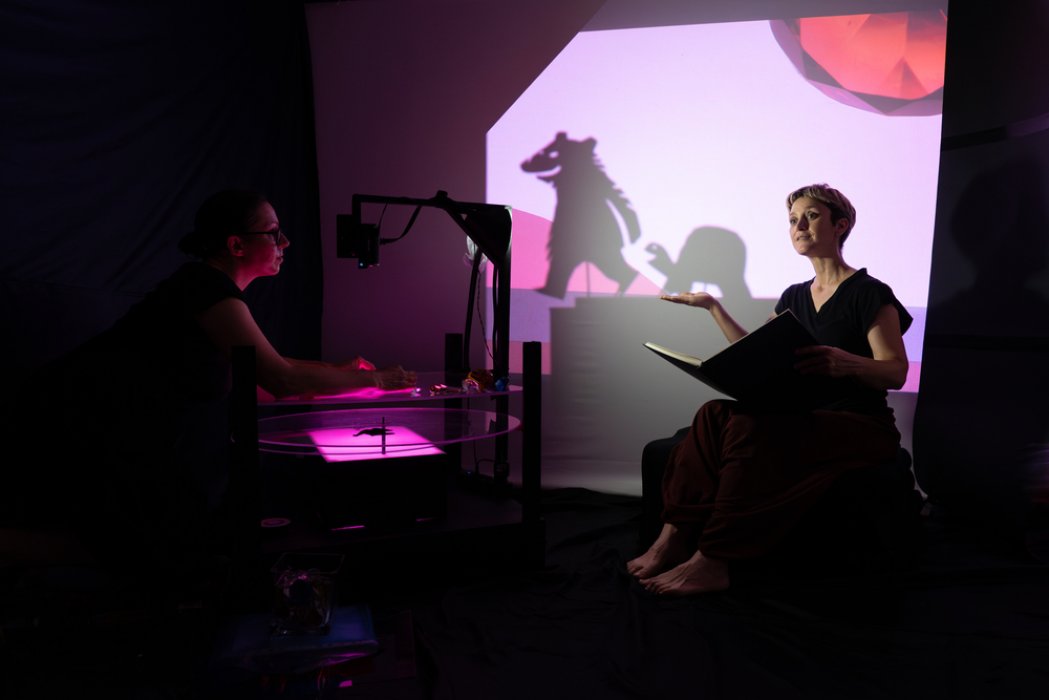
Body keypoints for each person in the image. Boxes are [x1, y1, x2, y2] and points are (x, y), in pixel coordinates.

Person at [3, 189, 416, 598]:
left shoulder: (209, 291)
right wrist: (378, 381)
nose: (286, 243)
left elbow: (259, 378)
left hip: (107, 430)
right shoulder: (205, 287)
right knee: (156, 548)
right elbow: (281, 379)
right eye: (274, 232)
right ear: (236, 245)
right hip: (77, 422)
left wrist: (338, 372)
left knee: (165, 543)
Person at [627, 183, 912, 596]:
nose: (799, 226)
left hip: (860, 424)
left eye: (811, 216)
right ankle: (672, 538)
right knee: (712, 413)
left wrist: (844, 362)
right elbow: (756, 351)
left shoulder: (870, 293)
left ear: (840, 225)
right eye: (793, 220)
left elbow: (896, 371)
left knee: (749, 429)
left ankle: (715, 560)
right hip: (806, 417)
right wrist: (713, 307)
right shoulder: (794, 296)